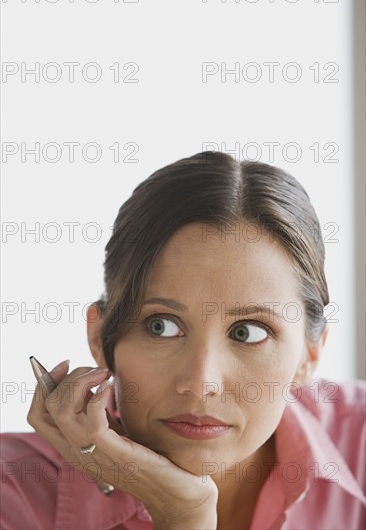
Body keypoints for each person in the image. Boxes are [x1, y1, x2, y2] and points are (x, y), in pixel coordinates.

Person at [1, 151, 365, 530]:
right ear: (99, 336)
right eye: (161, 326)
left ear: (310, 353)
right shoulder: (14, 492)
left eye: (248, 333)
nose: (201, 383)